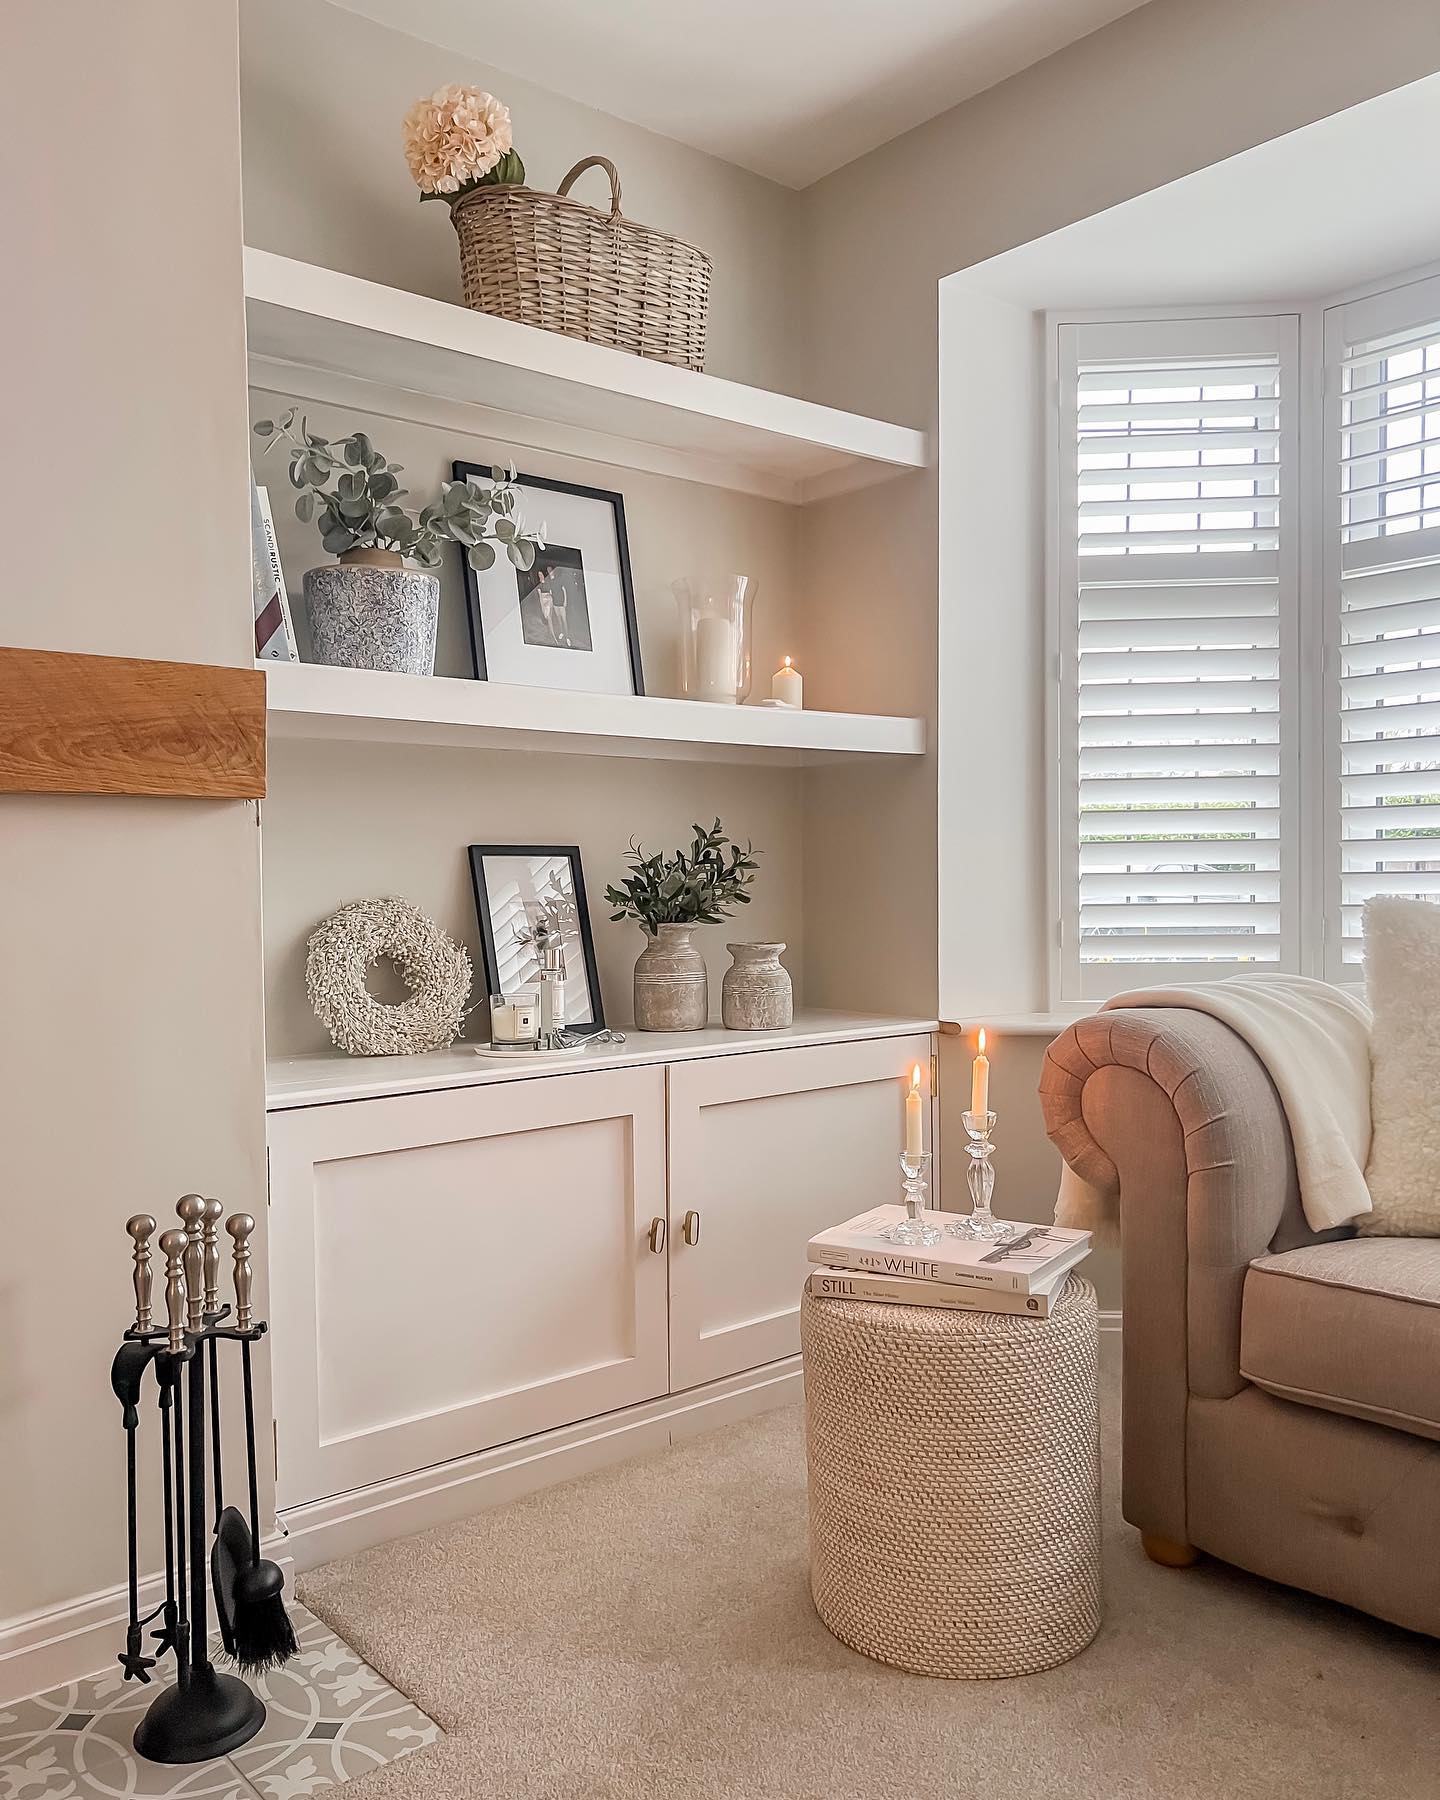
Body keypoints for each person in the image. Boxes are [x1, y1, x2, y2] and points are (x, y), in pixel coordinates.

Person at [519, 562, 574, 649]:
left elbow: (558, 591)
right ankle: (556, 636)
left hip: (554, 603)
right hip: (549, 604)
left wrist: (565, 601)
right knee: (553, 619)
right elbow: (541, 597)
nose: (541, 576)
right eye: (539, 575)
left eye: (541, 574)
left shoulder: (550, 581)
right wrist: (542, 608)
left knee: (562, 620)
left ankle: (567, 637)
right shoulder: (539, 585)